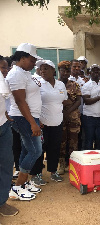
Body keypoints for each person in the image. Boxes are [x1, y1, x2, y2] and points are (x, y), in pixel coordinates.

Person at [6, 43, 42, 200]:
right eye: (32, 60)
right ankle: (18, 186)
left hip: (30, 117)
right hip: (24, 118)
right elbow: (20, 101)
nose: (34, 64)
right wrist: (33, 123)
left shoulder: (24, 72)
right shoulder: (16, 74)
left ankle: (23, 182)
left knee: (28, 149)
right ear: (22, 58)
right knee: (35, 151)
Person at [29, 60, 68, 185]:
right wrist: (36, 120)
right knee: (39, 149)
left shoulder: (61, 84)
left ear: (53, 71)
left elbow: (63, 100)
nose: (43, 71)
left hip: (57, 121)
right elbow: (32, 103)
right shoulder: (38, 83)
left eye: (46, 68)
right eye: (41, 69)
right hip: (42, 123)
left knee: (54, 148)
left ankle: (53, 172)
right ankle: (37, 174)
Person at [0, 70, 19, 216]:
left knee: (7, 163)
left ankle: (2, 202)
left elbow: (4, 97)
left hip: (3, 125)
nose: (5, 71)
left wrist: (5, 113)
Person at [58, 61, 82, 174]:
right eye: (63, 70)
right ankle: (61, 164)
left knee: (73, 142)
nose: (65, 73)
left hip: (73, 117)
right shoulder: (55, 84)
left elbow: (78, 101)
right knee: (61, 142)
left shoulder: (74, 84)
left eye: (67, 71)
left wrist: (68, 111)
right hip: (59, 117)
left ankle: (73, 165)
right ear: (59, 71)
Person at [81, 64, 100, 150]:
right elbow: (87, 101)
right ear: (89, 73)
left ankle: (98, 161)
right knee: (88, 141)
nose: (96, 72)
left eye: (98, 70)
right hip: (89, 118)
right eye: (94, 70)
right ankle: (88, 161)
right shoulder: (86, 85)